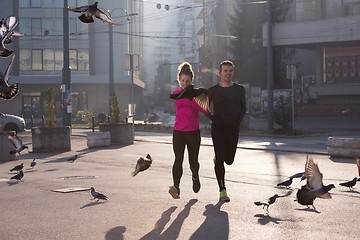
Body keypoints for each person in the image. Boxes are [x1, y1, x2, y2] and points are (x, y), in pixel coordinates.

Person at [168, 62, 209, 199]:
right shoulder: (176, 94)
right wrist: (185, 95)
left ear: (192, 81)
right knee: (178, 159)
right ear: (179, 80)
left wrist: (192, 98)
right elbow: (178, 101)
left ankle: (195, 176)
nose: (184, 83)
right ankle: (176, 187)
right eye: (182, 81)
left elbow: (204, 109)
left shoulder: (196, 95)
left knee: (193, 161)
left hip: (193, 132)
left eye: (187, 81)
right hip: (178, 131)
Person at [207, 60, 246, 202]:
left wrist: (238, 120)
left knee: (229, 160)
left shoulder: (239, 89)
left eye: (230, 71)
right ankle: (222, 189)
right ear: (220, 73)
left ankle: (219, 158)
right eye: (225, 71)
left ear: (233, 73)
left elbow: (243, 108)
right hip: (218, 128)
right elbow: (204, 106)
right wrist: (212, 118)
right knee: (220, 159)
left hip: (233, 128)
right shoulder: (213, 90)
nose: (228, 73)